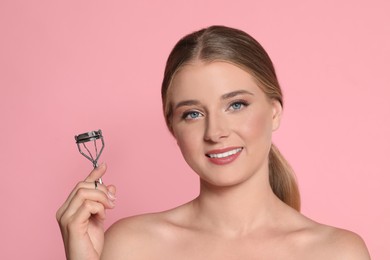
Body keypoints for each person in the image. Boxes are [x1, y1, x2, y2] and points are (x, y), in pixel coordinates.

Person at [56, 25, 370, 259]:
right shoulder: (130, 245)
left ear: (274, 112)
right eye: (192, 113)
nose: (215, 132)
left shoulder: (337, 252)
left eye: (236, 105)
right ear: (173, 128)